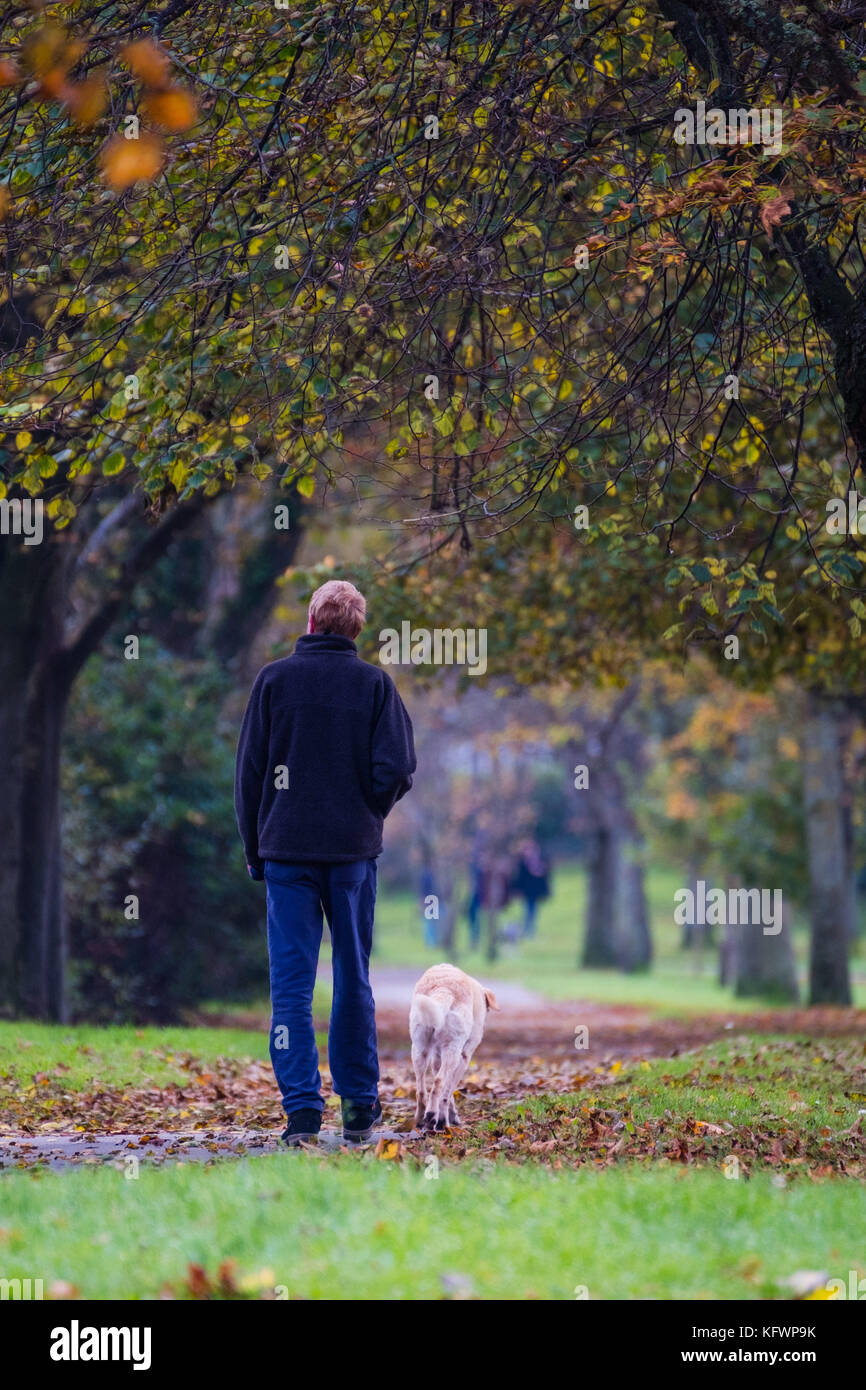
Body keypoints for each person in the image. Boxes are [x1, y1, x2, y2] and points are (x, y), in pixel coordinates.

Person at [234, 579, 416, 1146]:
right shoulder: (375, 687)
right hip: (351, 854)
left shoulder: (273, 682)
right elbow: (398, 768)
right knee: (352, 978)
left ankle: (302, 1113)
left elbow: (249, 776)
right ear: (356, 628)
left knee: (290, 988)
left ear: (311, 620)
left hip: (285, 850)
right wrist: (366, 810)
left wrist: (255, 848)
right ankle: (359, 1107)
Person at [512, 839, 551, 939]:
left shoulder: (540, 860)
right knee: (528, 910)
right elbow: (519, 878)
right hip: (526, 891)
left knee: (532, 910)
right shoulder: (522, 861)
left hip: (534, 891)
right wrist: (516, 890)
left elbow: (544, 877)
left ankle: (529, 929)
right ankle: (527, 929)